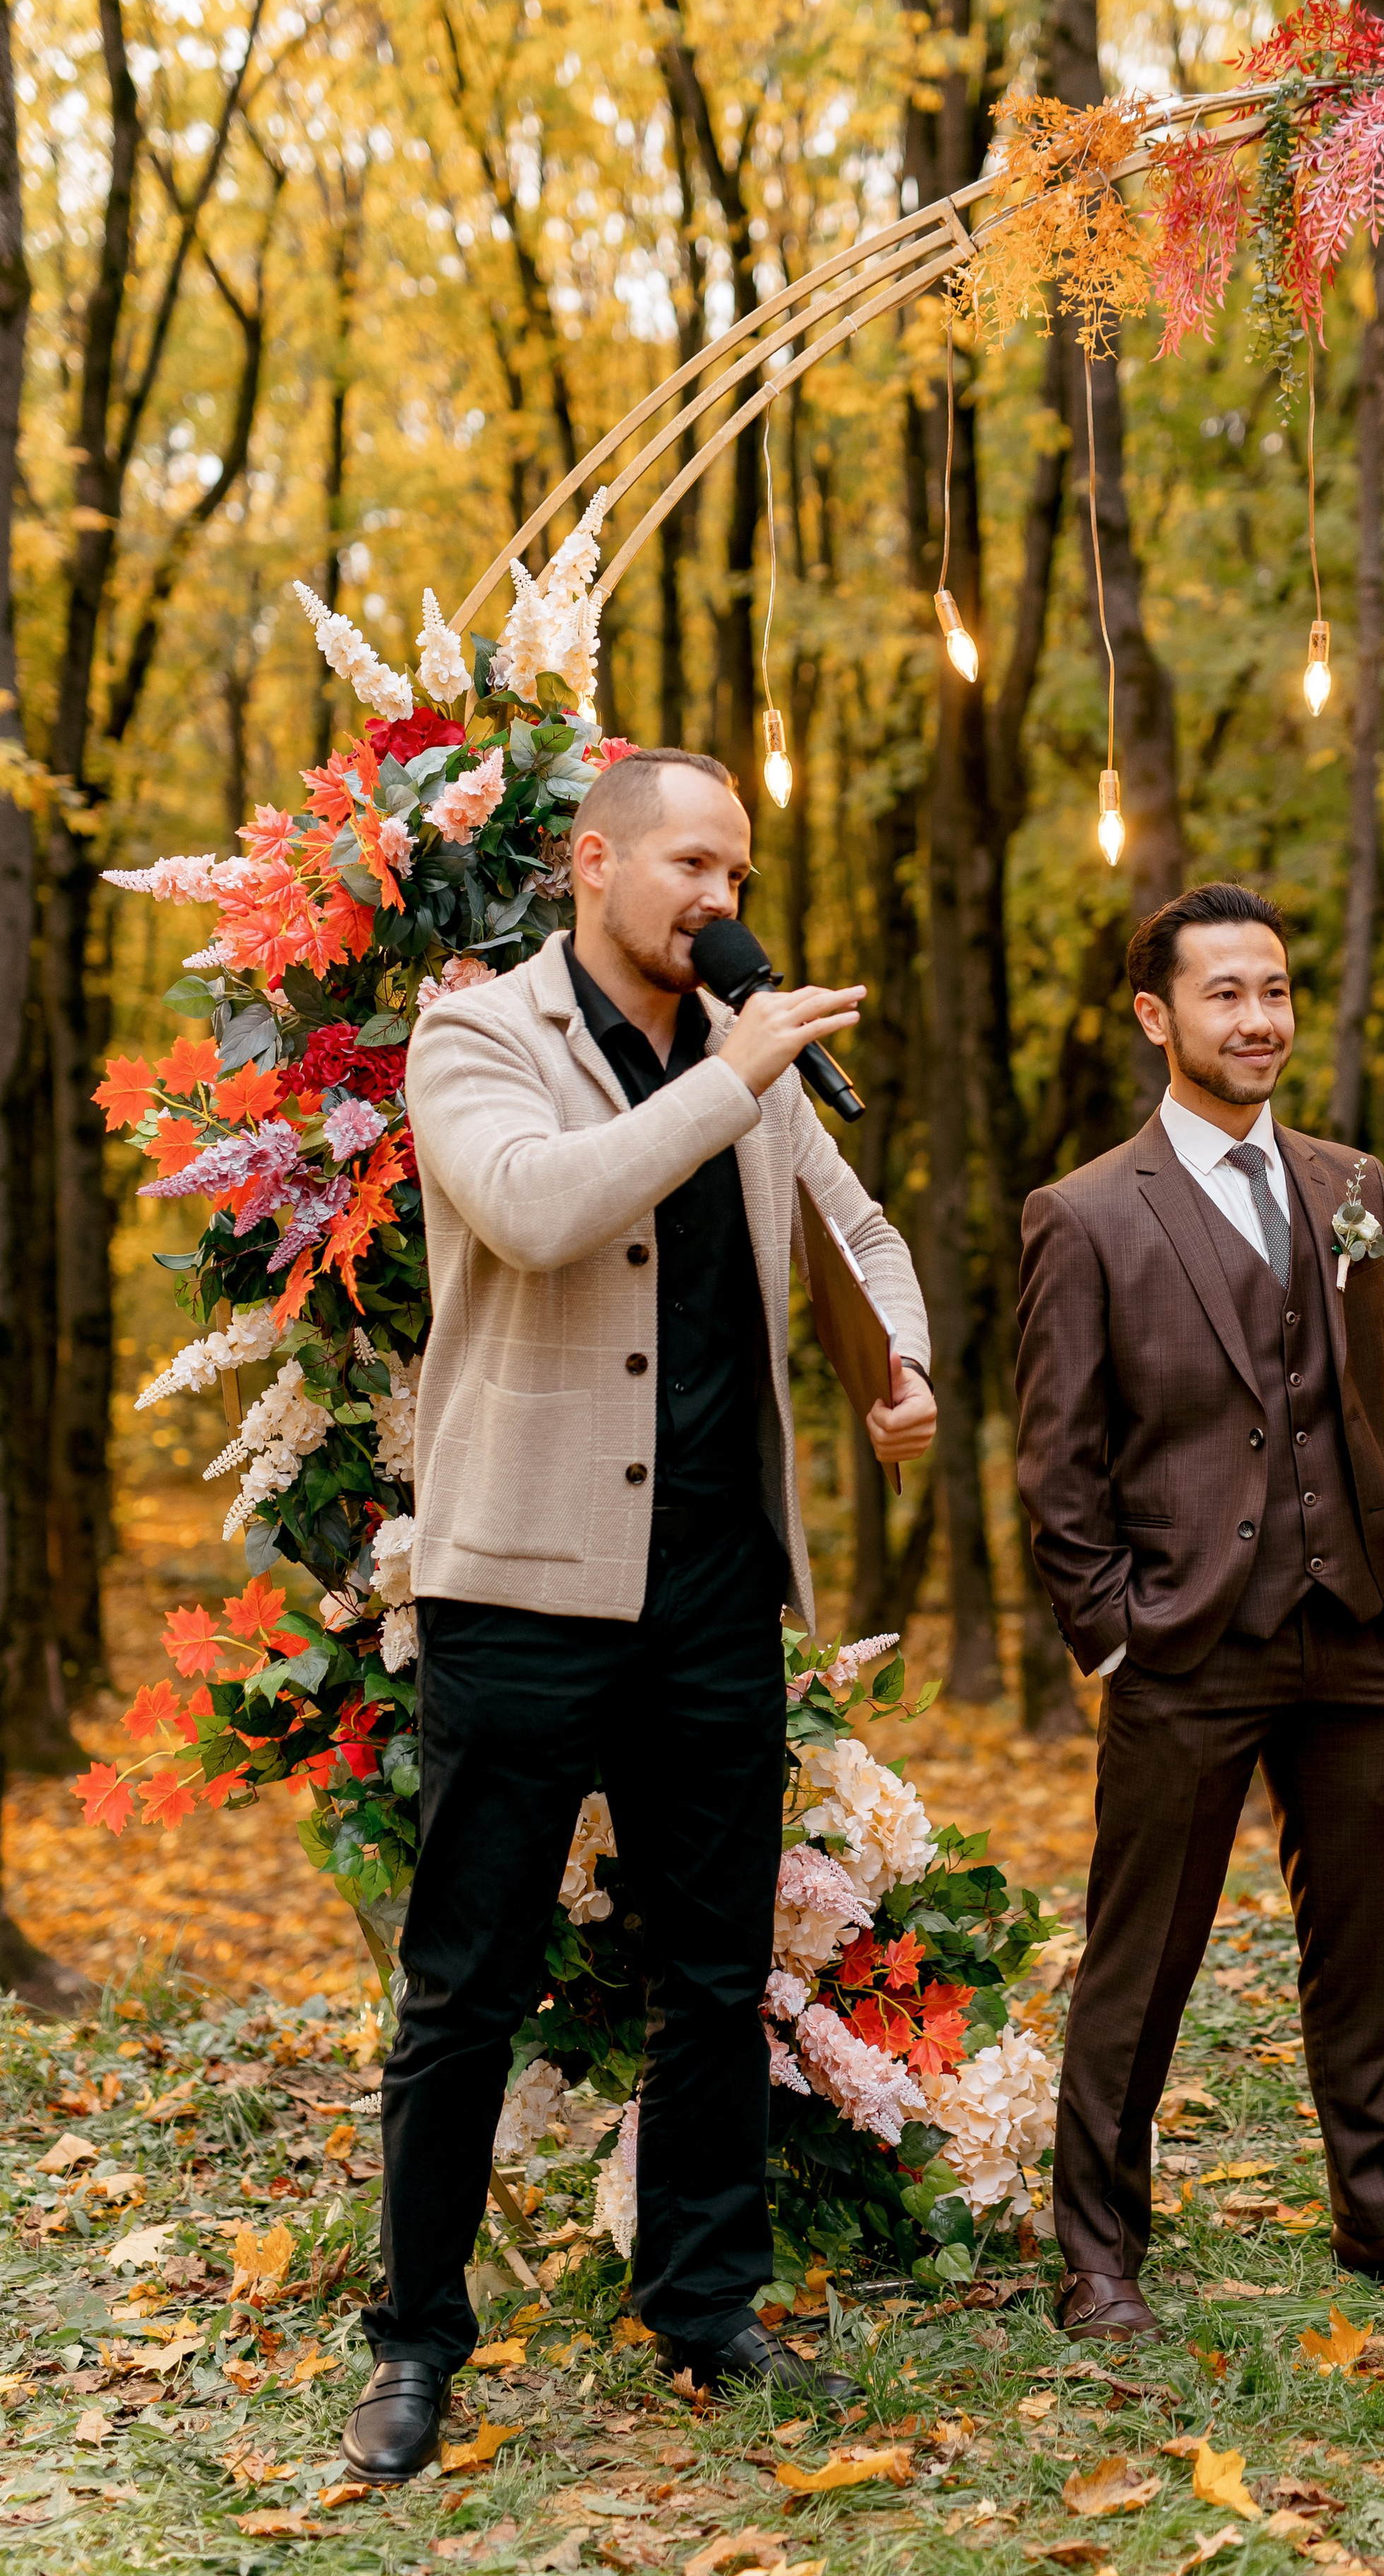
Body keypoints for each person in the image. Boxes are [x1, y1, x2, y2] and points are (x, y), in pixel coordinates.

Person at [340, 747, 936, 2481]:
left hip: (709, 1591)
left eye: (738, 873)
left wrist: (900, 1364)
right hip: (519, 1584)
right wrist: (731, 1080)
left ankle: (702, 2305)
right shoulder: (474, 1038)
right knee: (465, 1984)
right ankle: (415, 2342)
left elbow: (861, 1226)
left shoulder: (741, 1056)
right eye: (692, 863)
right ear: (593, 865)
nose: (720, 900)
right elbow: (532, 1212)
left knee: (711, 1974)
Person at [1015, 881, 1384, 2340]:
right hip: (1186, 1638)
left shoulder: (1353, 1187)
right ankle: (1096, 2250)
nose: (1257, 1018)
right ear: (1154, 1017)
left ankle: (1375, 2207)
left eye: (1276, 991)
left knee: (1358, 1933)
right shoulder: (1088, 1215)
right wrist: (1111, 1631)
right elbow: (1057, 1460)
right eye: (1225, 993)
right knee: (1143, 1947)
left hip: (1362, 1624)